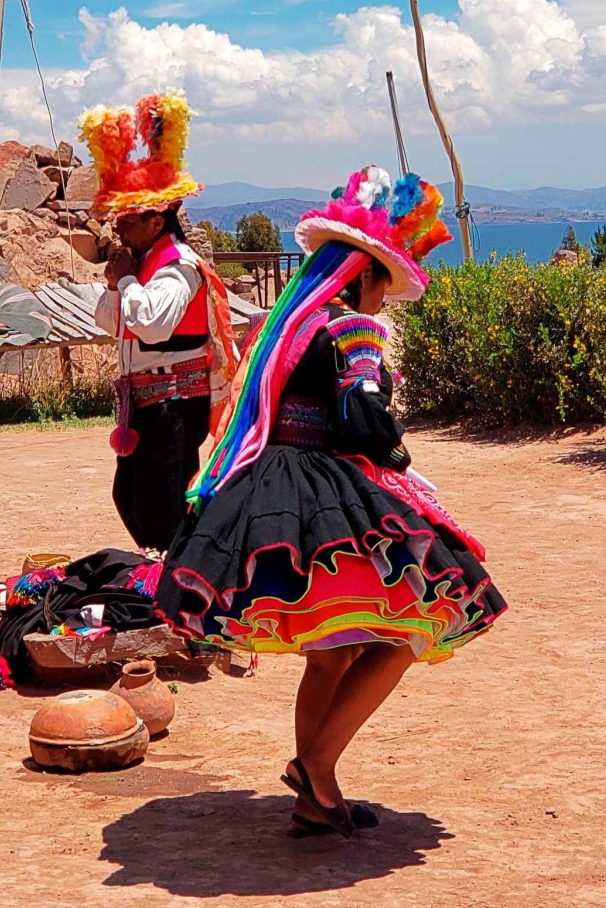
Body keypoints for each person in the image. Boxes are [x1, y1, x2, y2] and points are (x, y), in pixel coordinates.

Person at [154, 166, 507, 837]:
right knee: (407, 631)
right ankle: (315, 763)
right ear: (363, 276)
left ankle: (317, 798)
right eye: (383, 285)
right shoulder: (353, 329)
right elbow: (366, 420)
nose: (384, 301)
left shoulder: (288, 326)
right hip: (327, 493)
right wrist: (398, 457)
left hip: (270, 489)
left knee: (330, 651)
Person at [80, 94, 238, 553]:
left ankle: (180, 574)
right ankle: (168, 569)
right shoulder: (142, 264)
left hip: (174, 401)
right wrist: (117, 282)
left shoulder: (179, 265)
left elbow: (150, 324)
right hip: (146, 400)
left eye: (128, 217)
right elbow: (113, 321)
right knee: (129, 496)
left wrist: (127, 279)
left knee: (163, 501)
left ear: (156, 220)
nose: (119, 227)